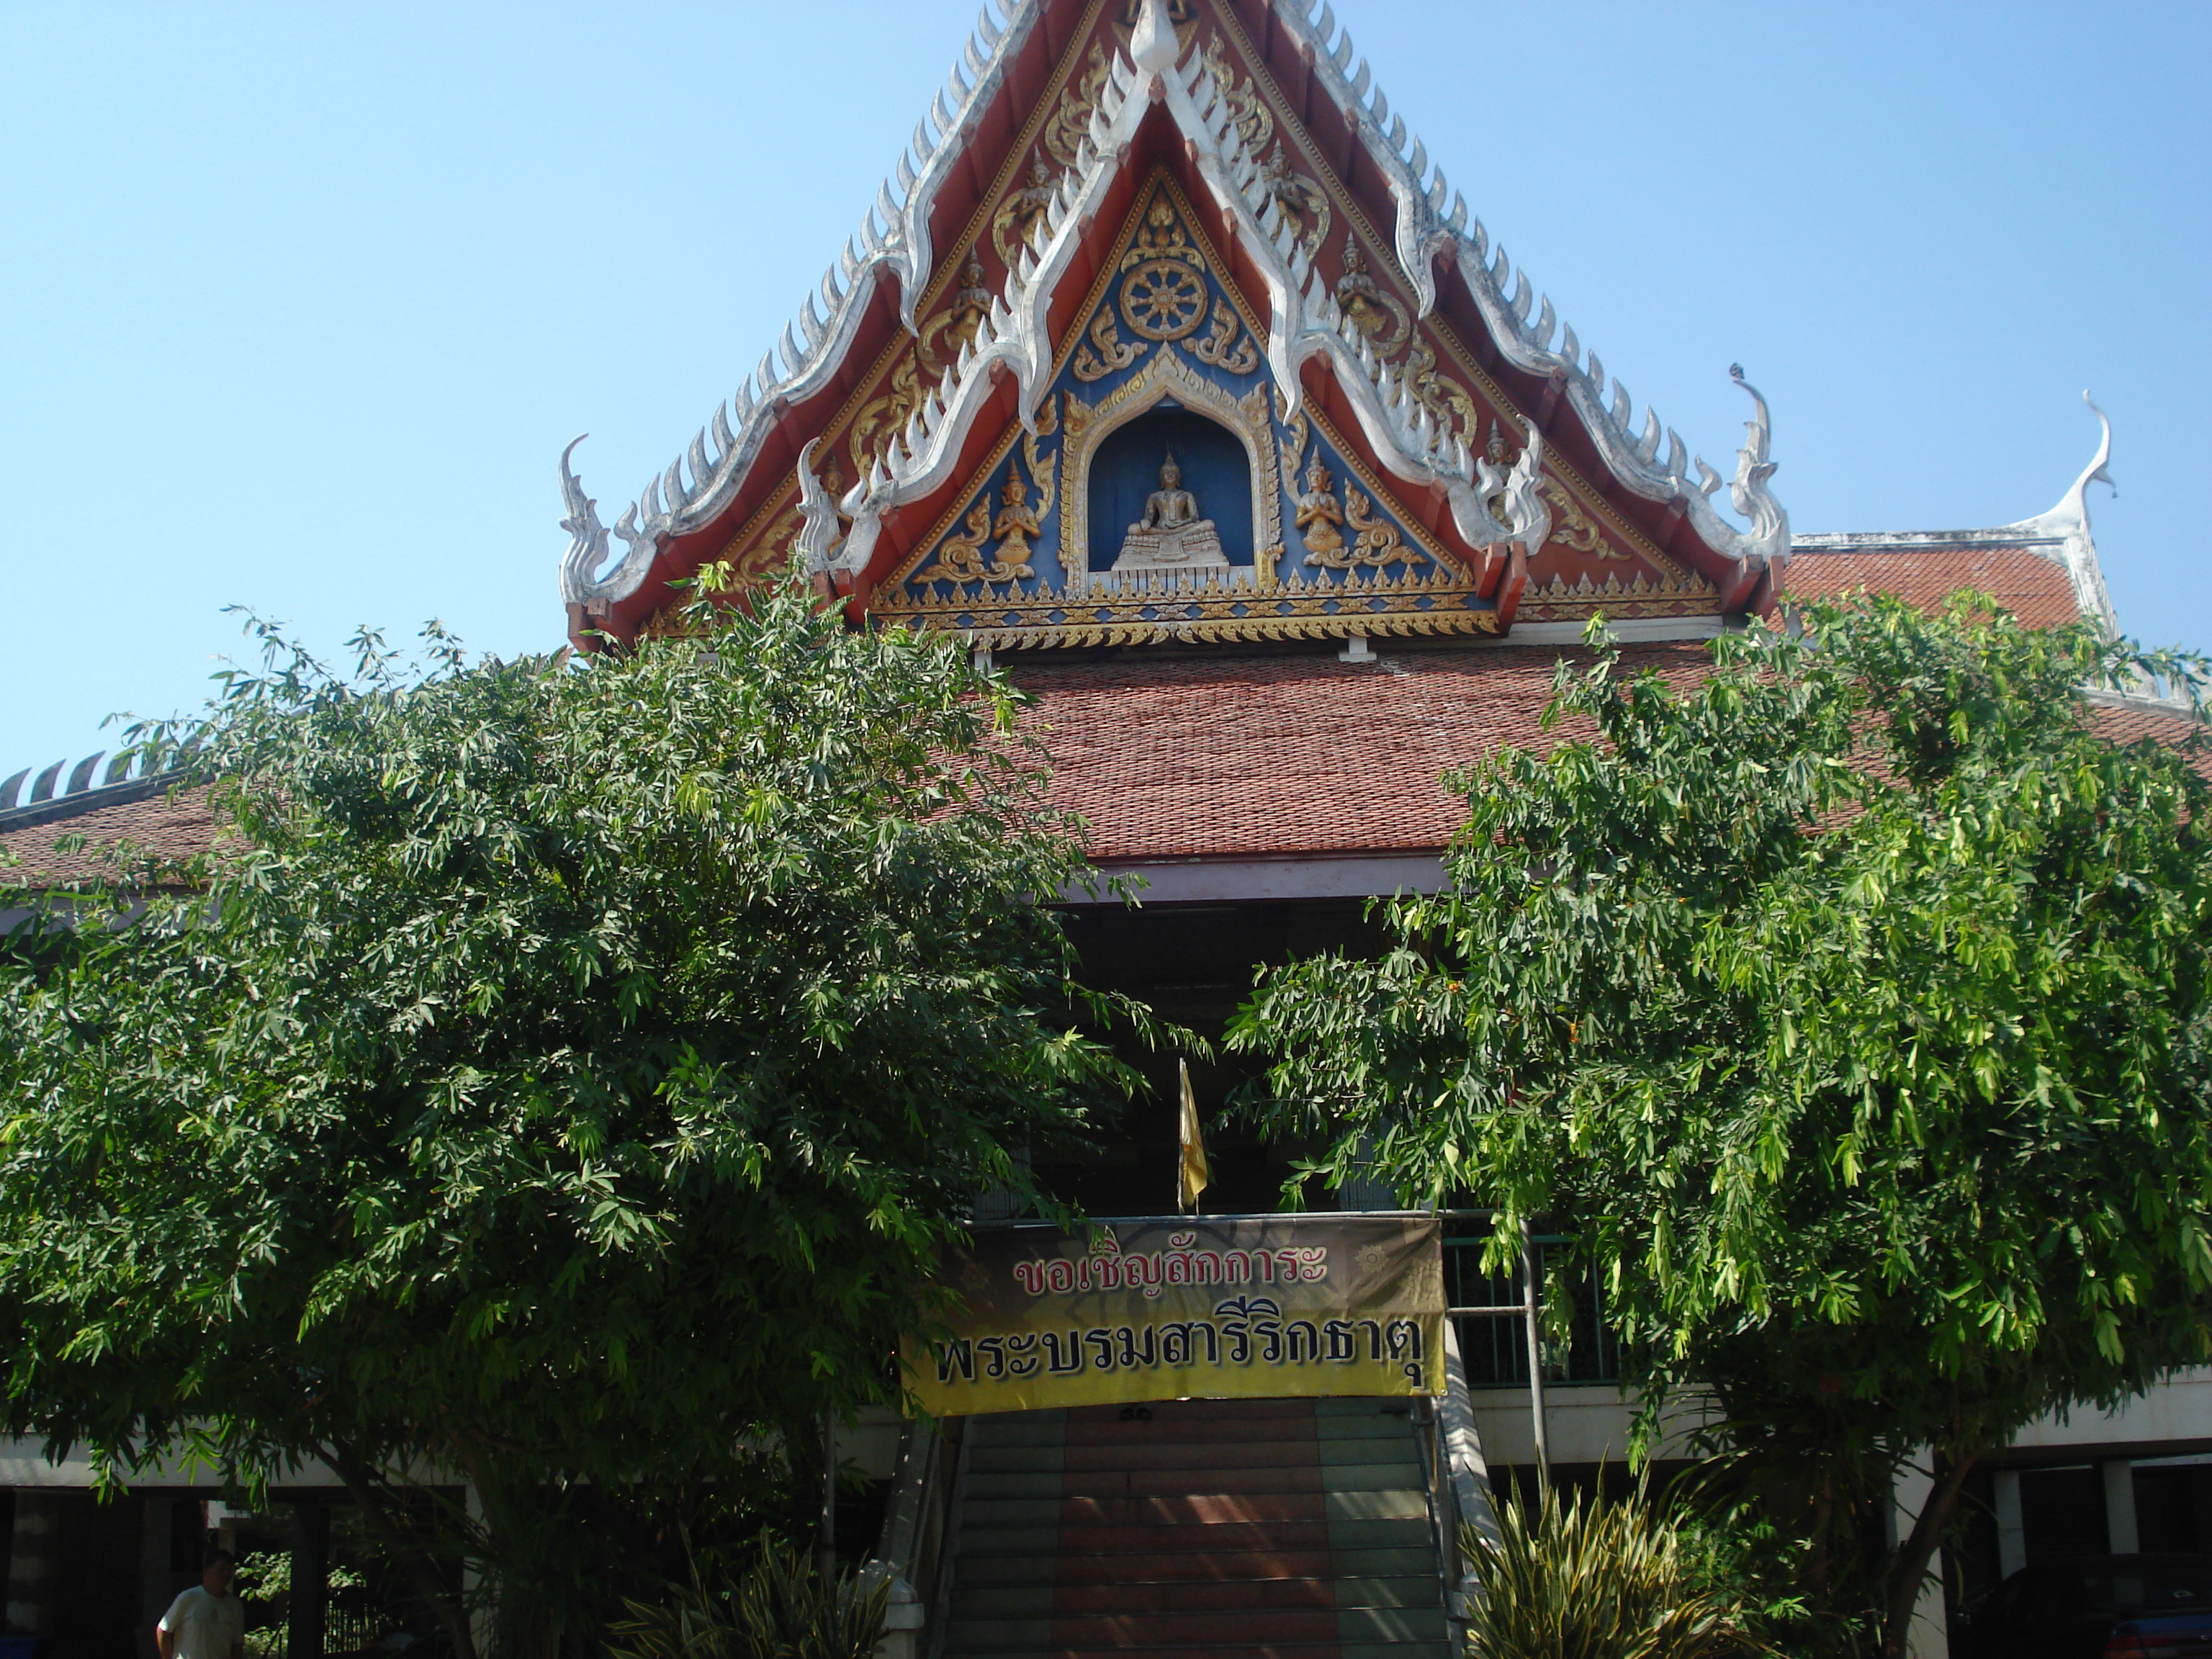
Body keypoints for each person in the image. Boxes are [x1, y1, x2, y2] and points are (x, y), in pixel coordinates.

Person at [156, 1550, 245, 1659]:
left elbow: (238, 1644)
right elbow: (163, 1630)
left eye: (230, 1570)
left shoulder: (235, 1605)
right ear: (206, 1572)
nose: (226, 1574)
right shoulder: (188, 1598)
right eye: (222, 1569)